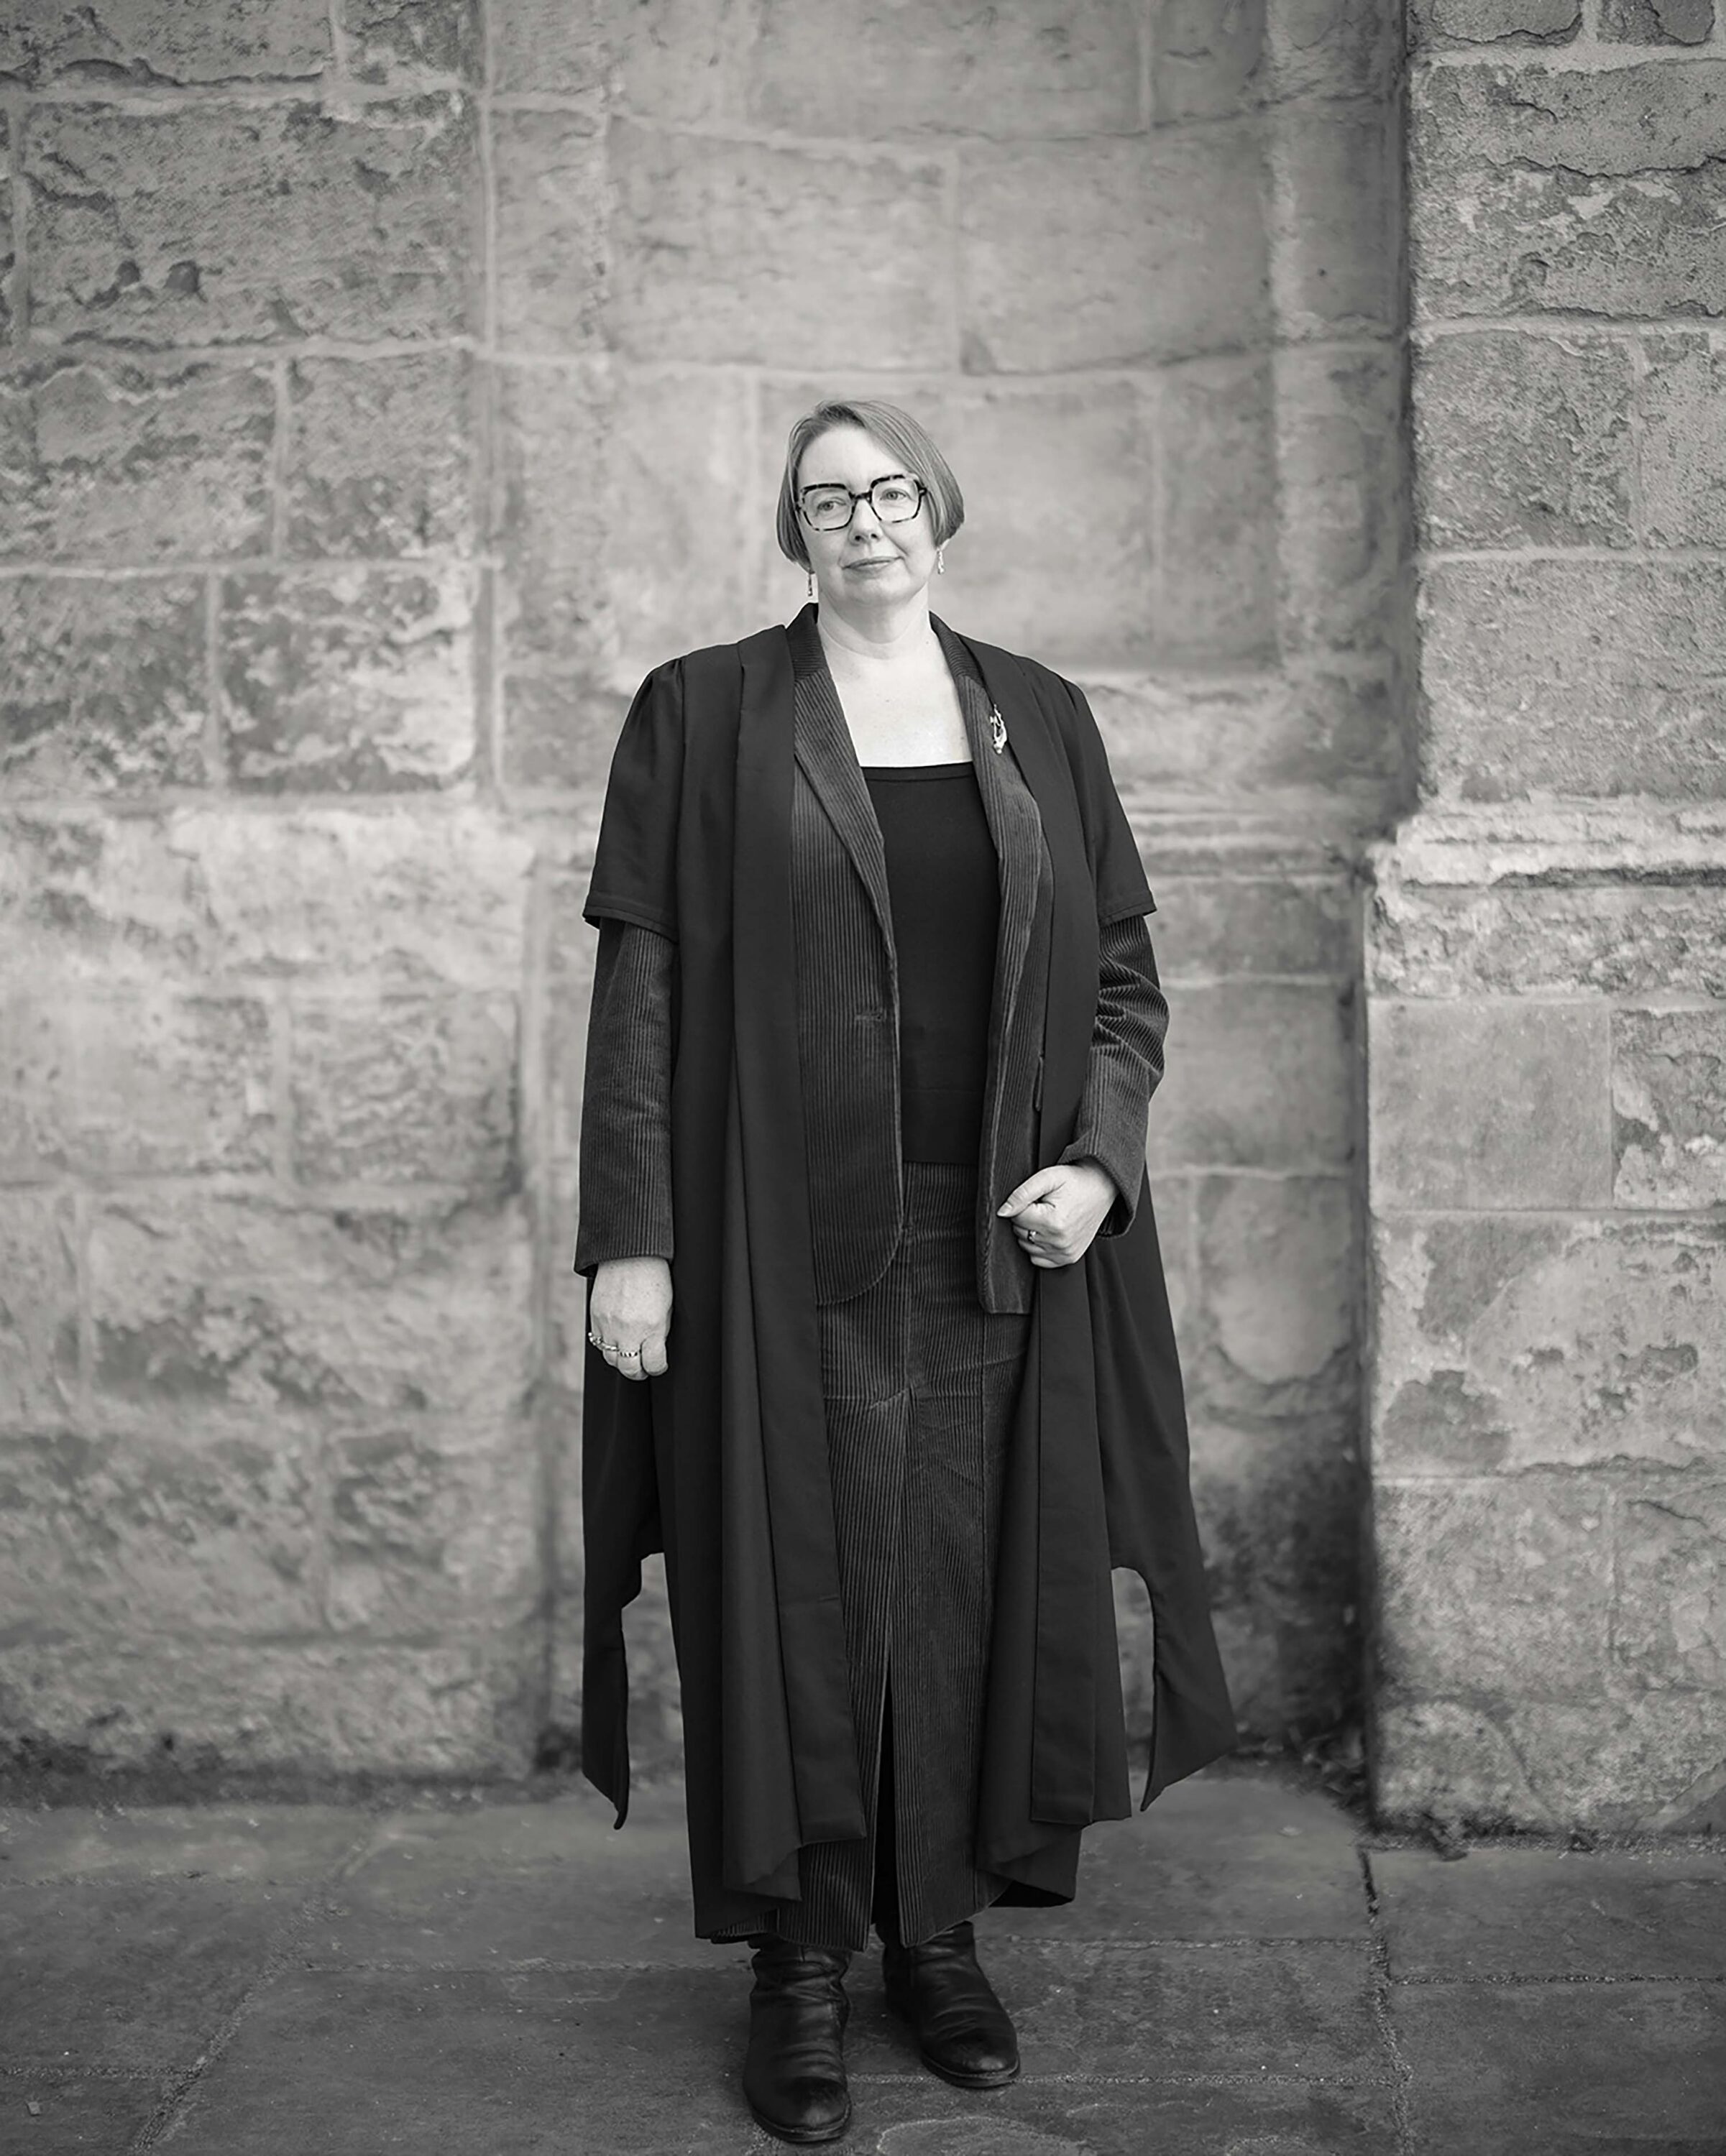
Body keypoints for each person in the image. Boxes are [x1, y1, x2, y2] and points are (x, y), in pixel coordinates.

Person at [574, 398, 1234, 2145]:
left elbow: (1120, 987)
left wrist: (1098, 1164)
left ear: (936, 508)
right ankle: (796, 1966)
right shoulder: (706, 713)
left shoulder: (1042, 714)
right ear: (793, 535)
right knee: (786, 1597)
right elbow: (638, 999)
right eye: (825, 500)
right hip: (765, 1238)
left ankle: (933, 1941)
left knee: (959, 1596)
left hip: (992, 1243)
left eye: (888, 490)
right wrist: (632, 1243)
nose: (864, 521)